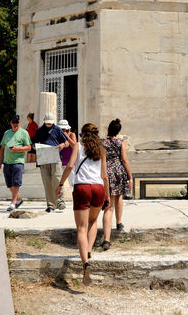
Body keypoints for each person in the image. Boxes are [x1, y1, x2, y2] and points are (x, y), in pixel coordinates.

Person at [55, 123, 109, 286]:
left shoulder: (78, 146)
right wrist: (107, 195)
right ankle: (89, 250)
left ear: (82, 134)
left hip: (82, 187)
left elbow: (70, 165)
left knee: (81, 228)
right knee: (93, 222)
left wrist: (60, 184)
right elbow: (105, 175)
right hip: (98, 188)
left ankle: (85, 263)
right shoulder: (101, 150)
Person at [100, 118, 132, 250]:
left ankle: (106, 239)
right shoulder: (121, 142)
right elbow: (124, 159)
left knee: (108, 205)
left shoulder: (102, 143)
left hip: (107, 171)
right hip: (119, 170)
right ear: (119, 131)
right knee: (119, 196)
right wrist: (130, 175)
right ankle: (119, 222)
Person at [32, 112, 69, 212]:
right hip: (43, 158)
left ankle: (60, 201)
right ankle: (51, 204)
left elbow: (66, 142)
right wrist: (35, 147)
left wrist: (62, 145)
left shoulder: (57, 129)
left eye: (50, 123)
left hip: (56, 157)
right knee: (46, 180)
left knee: (57, 178)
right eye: (47, 123)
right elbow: (34, 143)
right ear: (44, 120)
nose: (49, 125)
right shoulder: (39, 130)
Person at [0, 114, 32, 212]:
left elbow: (29, 147)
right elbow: (2, 147)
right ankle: (18, 199)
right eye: (14, 122)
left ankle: (13, 203)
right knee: (9, 184)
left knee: (16, 182)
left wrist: (17, 149)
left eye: (17, 122)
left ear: (19, 123)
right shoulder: (7, 133)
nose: (15, 124)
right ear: (11, 123)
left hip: (18, 162)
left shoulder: (24, 133)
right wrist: (0, 161)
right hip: (7, 162)